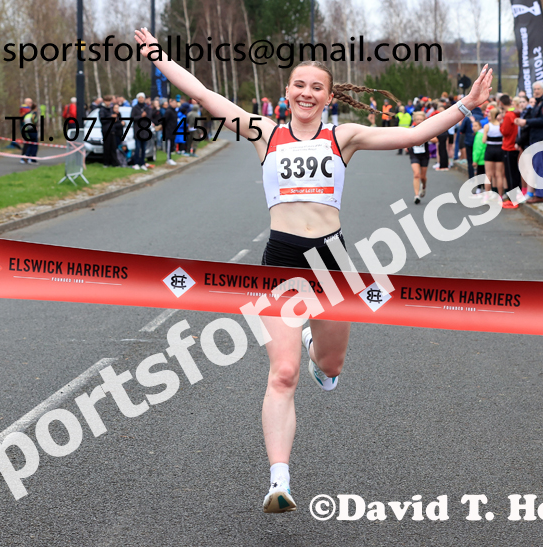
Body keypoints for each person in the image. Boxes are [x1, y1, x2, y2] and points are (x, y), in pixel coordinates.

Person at [134, 26, 493, 514]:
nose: (306, 93)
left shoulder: (342, 136)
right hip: (280, 260)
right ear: (287, 92)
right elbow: (203, 93)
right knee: (282, 374)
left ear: (328, 96)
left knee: (330, 367)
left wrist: (466, 105)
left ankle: (314, 349)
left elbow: (414, 133)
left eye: (316, 87)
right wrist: (158, 57)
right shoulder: (265, 132)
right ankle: (278, 480)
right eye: (299, 85)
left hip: (331, 261)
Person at [515, 81, 543, 203]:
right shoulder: (539, 102)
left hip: (541, 138)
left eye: (538, 89)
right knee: (536, 166)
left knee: (539, 166)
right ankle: (538, 192)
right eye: (534, 89)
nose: (536, 91)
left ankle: (541, 195)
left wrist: (526, 122)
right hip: (535, 137)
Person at [407, 111, 439, 204]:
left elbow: (435, 140)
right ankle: (416, 195)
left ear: (424, 120)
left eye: (421, 119)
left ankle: (423, 186)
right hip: (414, 154)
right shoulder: (411, 129)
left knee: (423, 177)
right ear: (415, 120)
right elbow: (405, 138)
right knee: (416, 174)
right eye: (417, 119)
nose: (419, 121)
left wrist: (425, 137)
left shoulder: (427, 130)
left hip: (424, 155)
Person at [499, 95, 521, 198]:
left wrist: (501, 123)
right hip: (513, 145)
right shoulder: (513, 113)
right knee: (514, 172)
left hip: (509, 146)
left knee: (510, 173)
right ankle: (516, 194)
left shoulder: (508, 115)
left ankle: (513, 196)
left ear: (501, 103)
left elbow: (505, 131)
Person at [482, 107, 505, 199]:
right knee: (499, 174)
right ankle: (500, 196)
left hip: (490, 149)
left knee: (488, 174)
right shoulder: (501, 125)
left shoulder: (487, 126)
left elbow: (483, 140)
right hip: (500, 149)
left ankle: (487, 196)